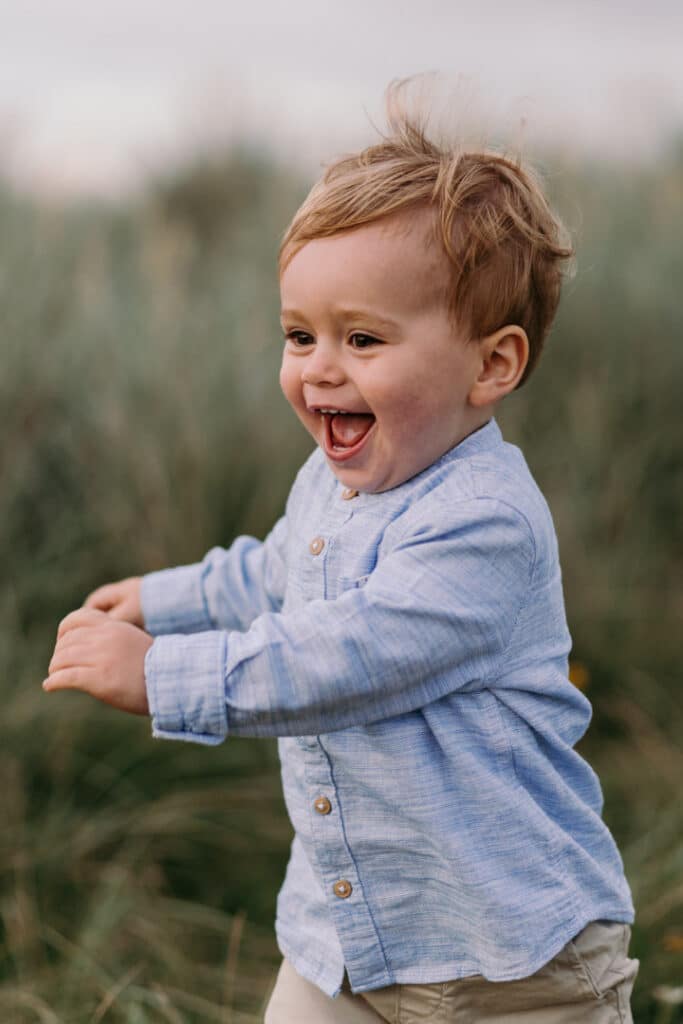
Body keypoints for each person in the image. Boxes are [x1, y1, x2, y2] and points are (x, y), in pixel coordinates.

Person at [43, 81, 638, 1022]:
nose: (320, 366)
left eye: (361, 337)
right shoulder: (334, 477)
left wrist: (166, 675)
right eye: (298, 335)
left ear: (493, 364)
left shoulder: (484, 524)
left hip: (510, 960)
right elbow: (277, 571)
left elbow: (344, 656)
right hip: (347, 936)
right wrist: (164, 599)